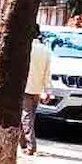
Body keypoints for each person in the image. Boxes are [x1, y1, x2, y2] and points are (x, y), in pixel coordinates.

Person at [22, 25, 53, 155]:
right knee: (29, 117)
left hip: (24, 88)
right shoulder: (45, 51)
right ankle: (22, 143)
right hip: (37, 89)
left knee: (26, 117)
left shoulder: (25, 49)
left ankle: (30, 145)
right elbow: (47, 73)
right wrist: (48, 91)